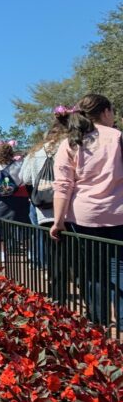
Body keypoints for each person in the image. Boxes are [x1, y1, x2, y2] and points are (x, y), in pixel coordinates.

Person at [49, 94, 123, 329]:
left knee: (93, 274)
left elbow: (62, 185)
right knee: (120, 270)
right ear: (105, 112)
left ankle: (98, 324)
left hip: (83, 217)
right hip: (119, 215)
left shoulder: (71, 142)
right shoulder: (119, 138)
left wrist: (57, 221)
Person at [19, 122, 67, 264]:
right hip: (66, 206)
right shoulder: (68, 148)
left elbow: (24, 178)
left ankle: (51, 274)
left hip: (42, 206)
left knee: (48, 243)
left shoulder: (35, 153)